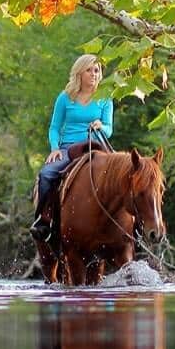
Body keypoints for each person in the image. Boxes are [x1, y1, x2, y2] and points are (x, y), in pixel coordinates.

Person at [30, 54, 113, 241]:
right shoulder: (65, 97)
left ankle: (132, 229)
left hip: (96, 148)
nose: (94, 74)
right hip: (69, 148)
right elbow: (54, 128)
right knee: (46, 175)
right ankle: (44, 220)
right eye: (89, 70)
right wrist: (55, 148)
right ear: (79, 73)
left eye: (97, 70)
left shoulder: (105, 97)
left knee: (125, 174)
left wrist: (101, 126)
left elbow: (109, 129)